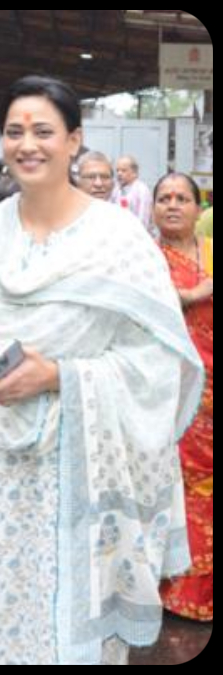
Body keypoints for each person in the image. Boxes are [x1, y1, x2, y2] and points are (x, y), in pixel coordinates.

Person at [0, 75, 203, 664]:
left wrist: (60, 376)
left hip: (78, 473)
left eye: (44, 131)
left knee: (64, 634)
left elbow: (161, 364)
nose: (27, 144)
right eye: (14, 131)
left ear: (74, 141)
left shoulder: (119, 241)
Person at [152, 172, 213, 623]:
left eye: (182, 198)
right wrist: (193, 293)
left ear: (198, 208)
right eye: (164, 198)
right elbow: (145, 304)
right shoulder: (145, 258)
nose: (173, 205)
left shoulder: (211, 253)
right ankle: (179, 589)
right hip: (171, 390)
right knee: (179, 485)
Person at [111, 154, 155, 237]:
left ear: (134, 173)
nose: (119, 174)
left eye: (123, 170)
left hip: (138, 237)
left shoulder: (142, 190)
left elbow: (143, 219)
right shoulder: (116, 189)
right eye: (117, 170)